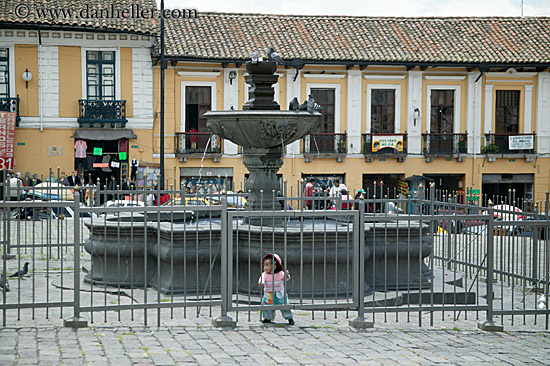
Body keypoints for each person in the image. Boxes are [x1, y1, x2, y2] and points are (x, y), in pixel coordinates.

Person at [258, 253, 294, 325]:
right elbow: (262, 279)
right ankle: (267, 318)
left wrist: (287, 275)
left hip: (280, 292)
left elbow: (285, 279)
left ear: (274, 266)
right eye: (264, 265)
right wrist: (261, 282)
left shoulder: (280, 273)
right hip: (269, 293)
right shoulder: (264, 274)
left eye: (267, 265)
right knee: (267, 306)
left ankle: (290, 317)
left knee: (284, 305)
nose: (265, 267)